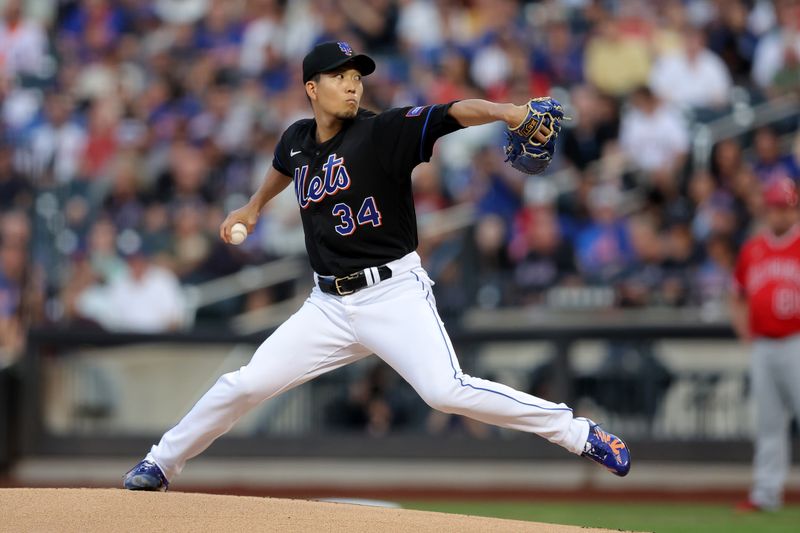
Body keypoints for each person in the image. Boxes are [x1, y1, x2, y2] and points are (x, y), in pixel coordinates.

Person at [123, 41, 630, 491]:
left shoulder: (382, 131)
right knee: (247, 383)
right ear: (311, 88)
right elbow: (284, 168)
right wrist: (253, 207)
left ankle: (579, 433)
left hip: (392, 294)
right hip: (326, 306)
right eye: (340, 76)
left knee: (444, 390)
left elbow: (452, 112)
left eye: (356, 75)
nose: (352, 84)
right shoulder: (296, 139)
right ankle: (160, 464)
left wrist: (509, 111)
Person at [731, 177, 800, 512]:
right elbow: (736, 295)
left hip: (796, 341)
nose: (778, 213)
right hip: (764, 345)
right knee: (769, 424)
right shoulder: (753, 248)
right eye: (773, 206)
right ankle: (766, 494)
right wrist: (745, 331)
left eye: (784, 207)